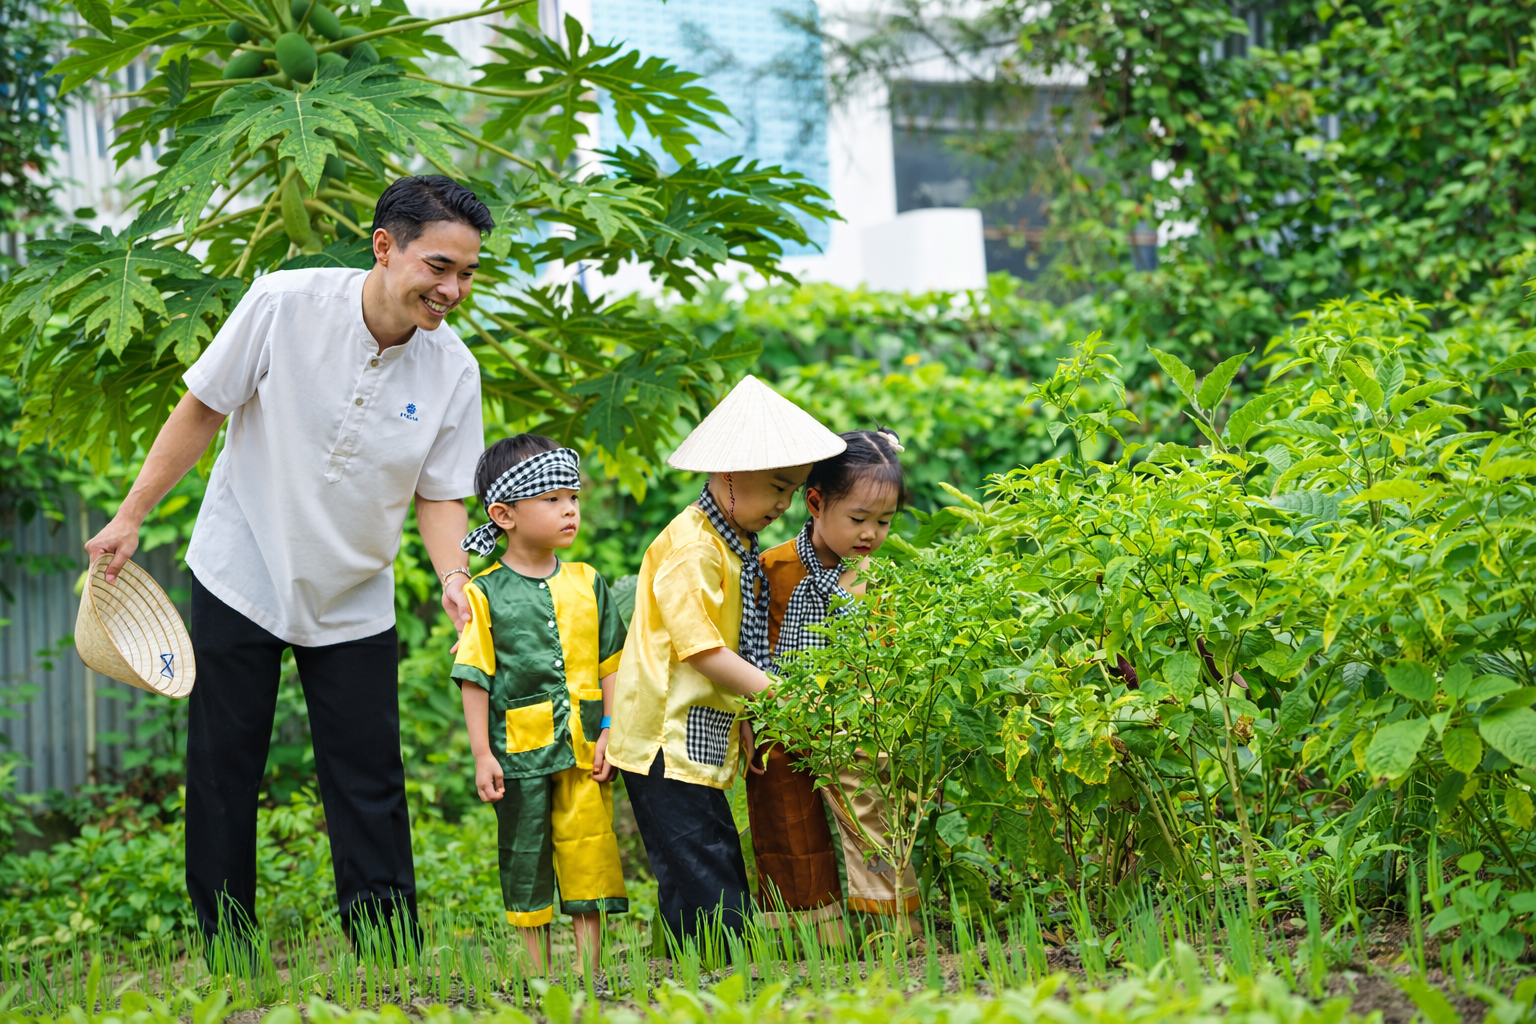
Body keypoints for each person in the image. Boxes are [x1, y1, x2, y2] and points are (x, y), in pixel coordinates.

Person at [83, 175, 494, 946]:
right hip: (242, 566)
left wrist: (453, 577)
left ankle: (387, 949)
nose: (453, 290)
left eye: (467, 273)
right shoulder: (283, 303)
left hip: (354, 592)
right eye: (439, 267)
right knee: (223, 767)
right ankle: (228, 947)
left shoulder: (454, 371)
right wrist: (130, 515)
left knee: (369, 775)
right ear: (385, 246)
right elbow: (203, 406)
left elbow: (441, 495)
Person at [603, 375, 846, 944]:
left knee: (700, 863)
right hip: (664, 737)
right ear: (730, 474)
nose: (784, 505)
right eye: (777, 488)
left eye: (793, 491)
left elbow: (730, 647)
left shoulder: (732, 544)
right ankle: (724, 971)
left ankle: (696, 971)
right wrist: (781, 699)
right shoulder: (694, 547)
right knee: (705, 871)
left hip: (695, 731)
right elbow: (704, 650)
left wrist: (744, 717)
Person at [451, 434, 628, 974]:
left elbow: (612, 662)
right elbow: (474, 676)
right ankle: (536, 976)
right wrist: (482, 753)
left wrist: (610, 728)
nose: (569, 509)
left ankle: (590, 973)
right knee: (524, 855)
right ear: (504, 514)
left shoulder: (588, 582)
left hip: (585, 746)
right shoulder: (483, 593)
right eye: (552, 499)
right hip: (517, 752)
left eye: (573, 497)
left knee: (590, 848)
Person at [747, 429, 921, 934]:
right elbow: (750, 645)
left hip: (852, 722)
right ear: (816, 503)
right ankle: (811, 933)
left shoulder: (871, 582)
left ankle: (892, 925)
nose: (870, 534)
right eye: (858, 519)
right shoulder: (771, 567)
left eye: (884, 522)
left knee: (872, 815)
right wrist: (748, 718)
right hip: (780, 719)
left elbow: (885, 659)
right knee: (786, 820)